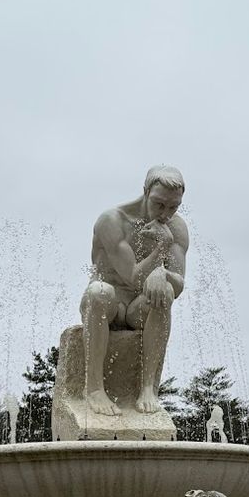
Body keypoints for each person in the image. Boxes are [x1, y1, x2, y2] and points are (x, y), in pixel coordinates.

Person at [81, 165, 188, 417]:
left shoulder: (177, 228)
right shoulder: (113, 221)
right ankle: (94, 388)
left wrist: (162, 274)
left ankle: (148, 388)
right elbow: (133, 276)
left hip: (137, 309)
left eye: (173, 207)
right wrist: (161, 248)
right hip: (108, 305)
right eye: (159, 204)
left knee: (165, 294)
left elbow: (179, 283)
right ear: (145, 192)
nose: (165, 213)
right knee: (99, 292)